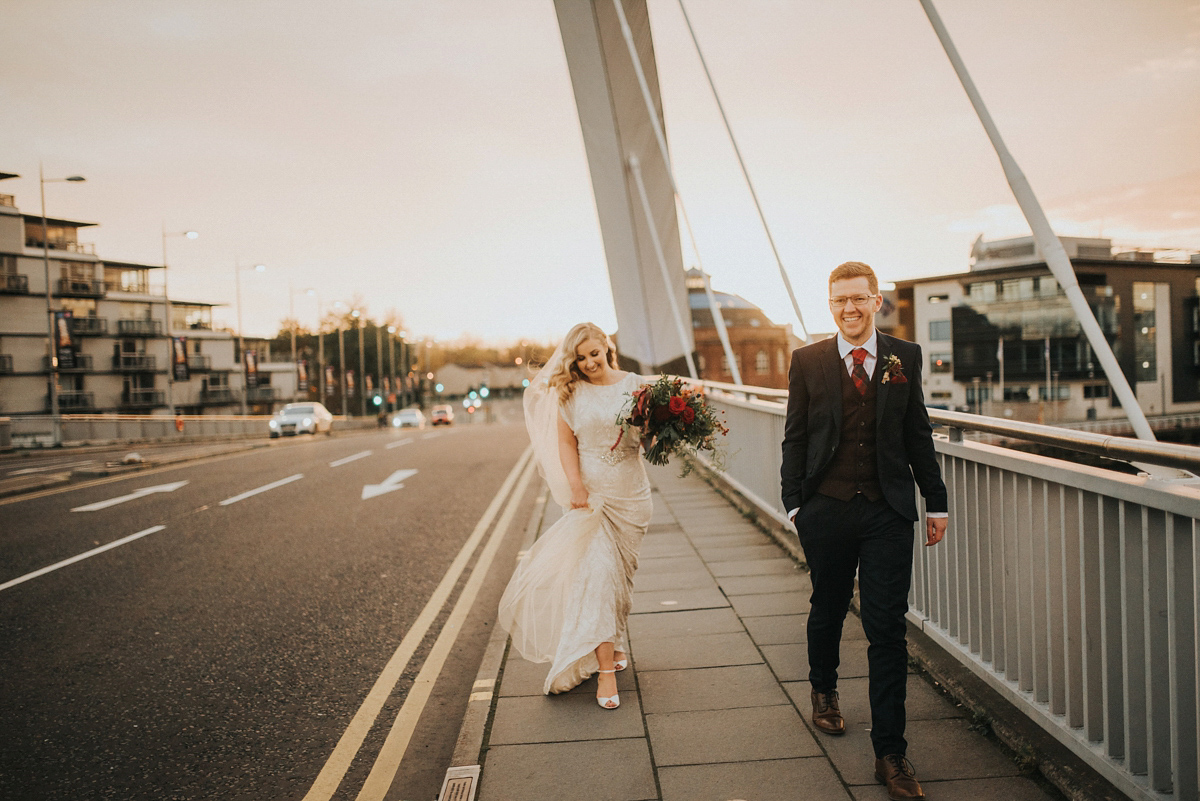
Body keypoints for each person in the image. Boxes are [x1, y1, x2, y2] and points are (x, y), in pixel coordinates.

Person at [781, 261, 948, 801]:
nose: (848, 309)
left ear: (877, 301)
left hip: (886, 512)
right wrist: (793, 505)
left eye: (858, 299)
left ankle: (890, 753)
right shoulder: (807, 361)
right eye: (838, 301)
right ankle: (824, 691)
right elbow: (796, 436)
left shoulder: (905, 358)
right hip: (825, 508)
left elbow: (916, 431)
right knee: (827, 605)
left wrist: (936, 502)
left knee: (887, 630)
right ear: (829, 306)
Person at [498, 322, 652, 709]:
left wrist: (656, 428)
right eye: (580, 358)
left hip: (631, 495)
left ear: (607, 348)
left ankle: (613, 642)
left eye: (594, 354)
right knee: (596, 577)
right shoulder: (570, 393)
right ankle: (603, 671)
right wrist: (576, 487)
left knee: (620, 583)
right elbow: (567, 444)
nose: (588, 363)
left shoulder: (635, 384)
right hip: (592, 498)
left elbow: (644, 441)